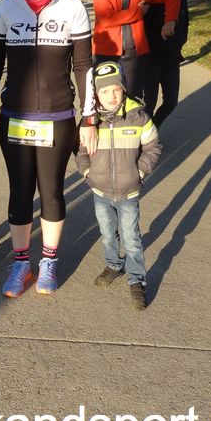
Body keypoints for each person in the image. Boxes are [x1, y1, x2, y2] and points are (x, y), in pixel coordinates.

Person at [0, 0, 97, 298]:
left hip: (57, 118)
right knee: (19, 192)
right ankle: (20, 263)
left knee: (52, 191)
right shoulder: (7, 9)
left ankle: (48, 261)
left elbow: (84, 67)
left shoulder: (72, 8)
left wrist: (89, 117)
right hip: (15, 117)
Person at [75, 61, 161, 310]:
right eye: (104, 91)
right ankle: (113, 265)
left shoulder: (138, 117)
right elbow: (81, 151)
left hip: (128, 191)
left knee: (132, 237)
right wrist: (88, 172)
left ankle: (137, 279)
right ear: (96, 94)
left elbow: (153, 147)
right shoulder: (91, 122)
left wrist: (140, 172)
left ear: (123, 88)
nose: (111, 96)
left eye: (116, 89)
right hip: (100, 190)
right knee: (107, 232)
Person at [92, 0, 181, 102]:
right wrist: (138, 12)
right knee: (105, 101)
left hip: (134, 54)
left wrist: (170, 20)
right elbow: (105, 19)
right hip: (106, 52)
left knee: (133, 100)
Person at [143, 0, 190, 126]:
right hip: (152, 58)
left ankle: (153, 129)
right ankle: (146, 136)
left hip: (172, 58)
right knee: (148, 104)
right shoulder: (151, 0)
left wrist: (180, 41)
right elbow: (145, 30)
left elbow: (185, 23)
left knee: (171, 101)